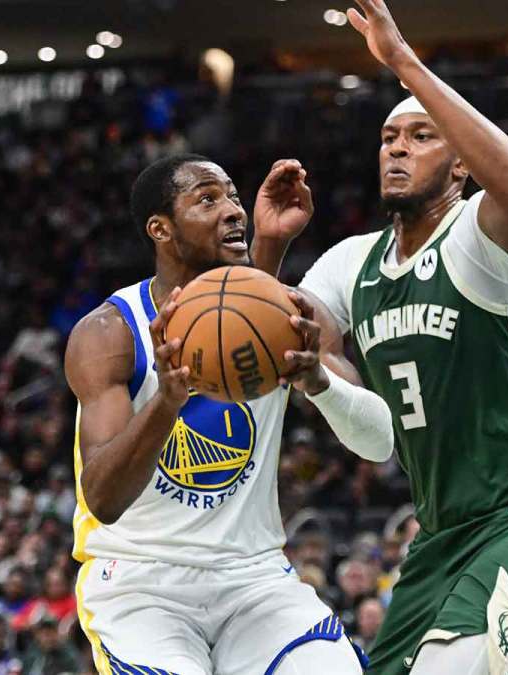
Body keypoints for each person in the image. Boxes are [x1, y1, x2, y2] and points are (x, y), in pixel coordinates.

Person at [293, 1, 508, 672]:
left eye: (421, 136)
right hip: (439, 533)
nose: (398, 147)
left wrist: (403, 64)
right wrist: (266, 246)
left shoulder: (477, 238)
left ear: (461, 166)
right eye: (389, 138)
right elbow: (286, 340)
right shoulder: (351, 262)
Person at [63, 154, 393, 674]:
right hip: (142, 582)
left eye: (235, 196)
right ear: (160, 228)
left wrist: (318, 382)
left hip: (253, 577)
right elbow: (103, 499)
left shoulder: (289, 314)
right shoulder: (111, 332)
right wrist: (168, 400)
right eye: (207, 199)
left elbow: (379, 443)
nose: (233, 210)